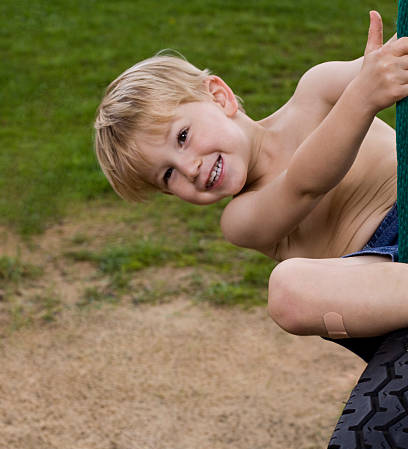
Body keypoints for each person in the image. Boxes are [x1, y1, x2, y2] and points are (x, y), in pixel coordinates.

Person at [94, 11, 408, 342]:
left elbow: (386, 68)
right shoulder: (240, 220)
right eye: (168, 175)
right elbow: (303, 186)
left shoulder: (317, 90)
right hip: (380, 280)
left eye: (182, 137)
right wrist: (361, 96)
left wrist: (382, 69)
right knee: (288, 290)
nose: (190, 169)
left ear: (219, 96)